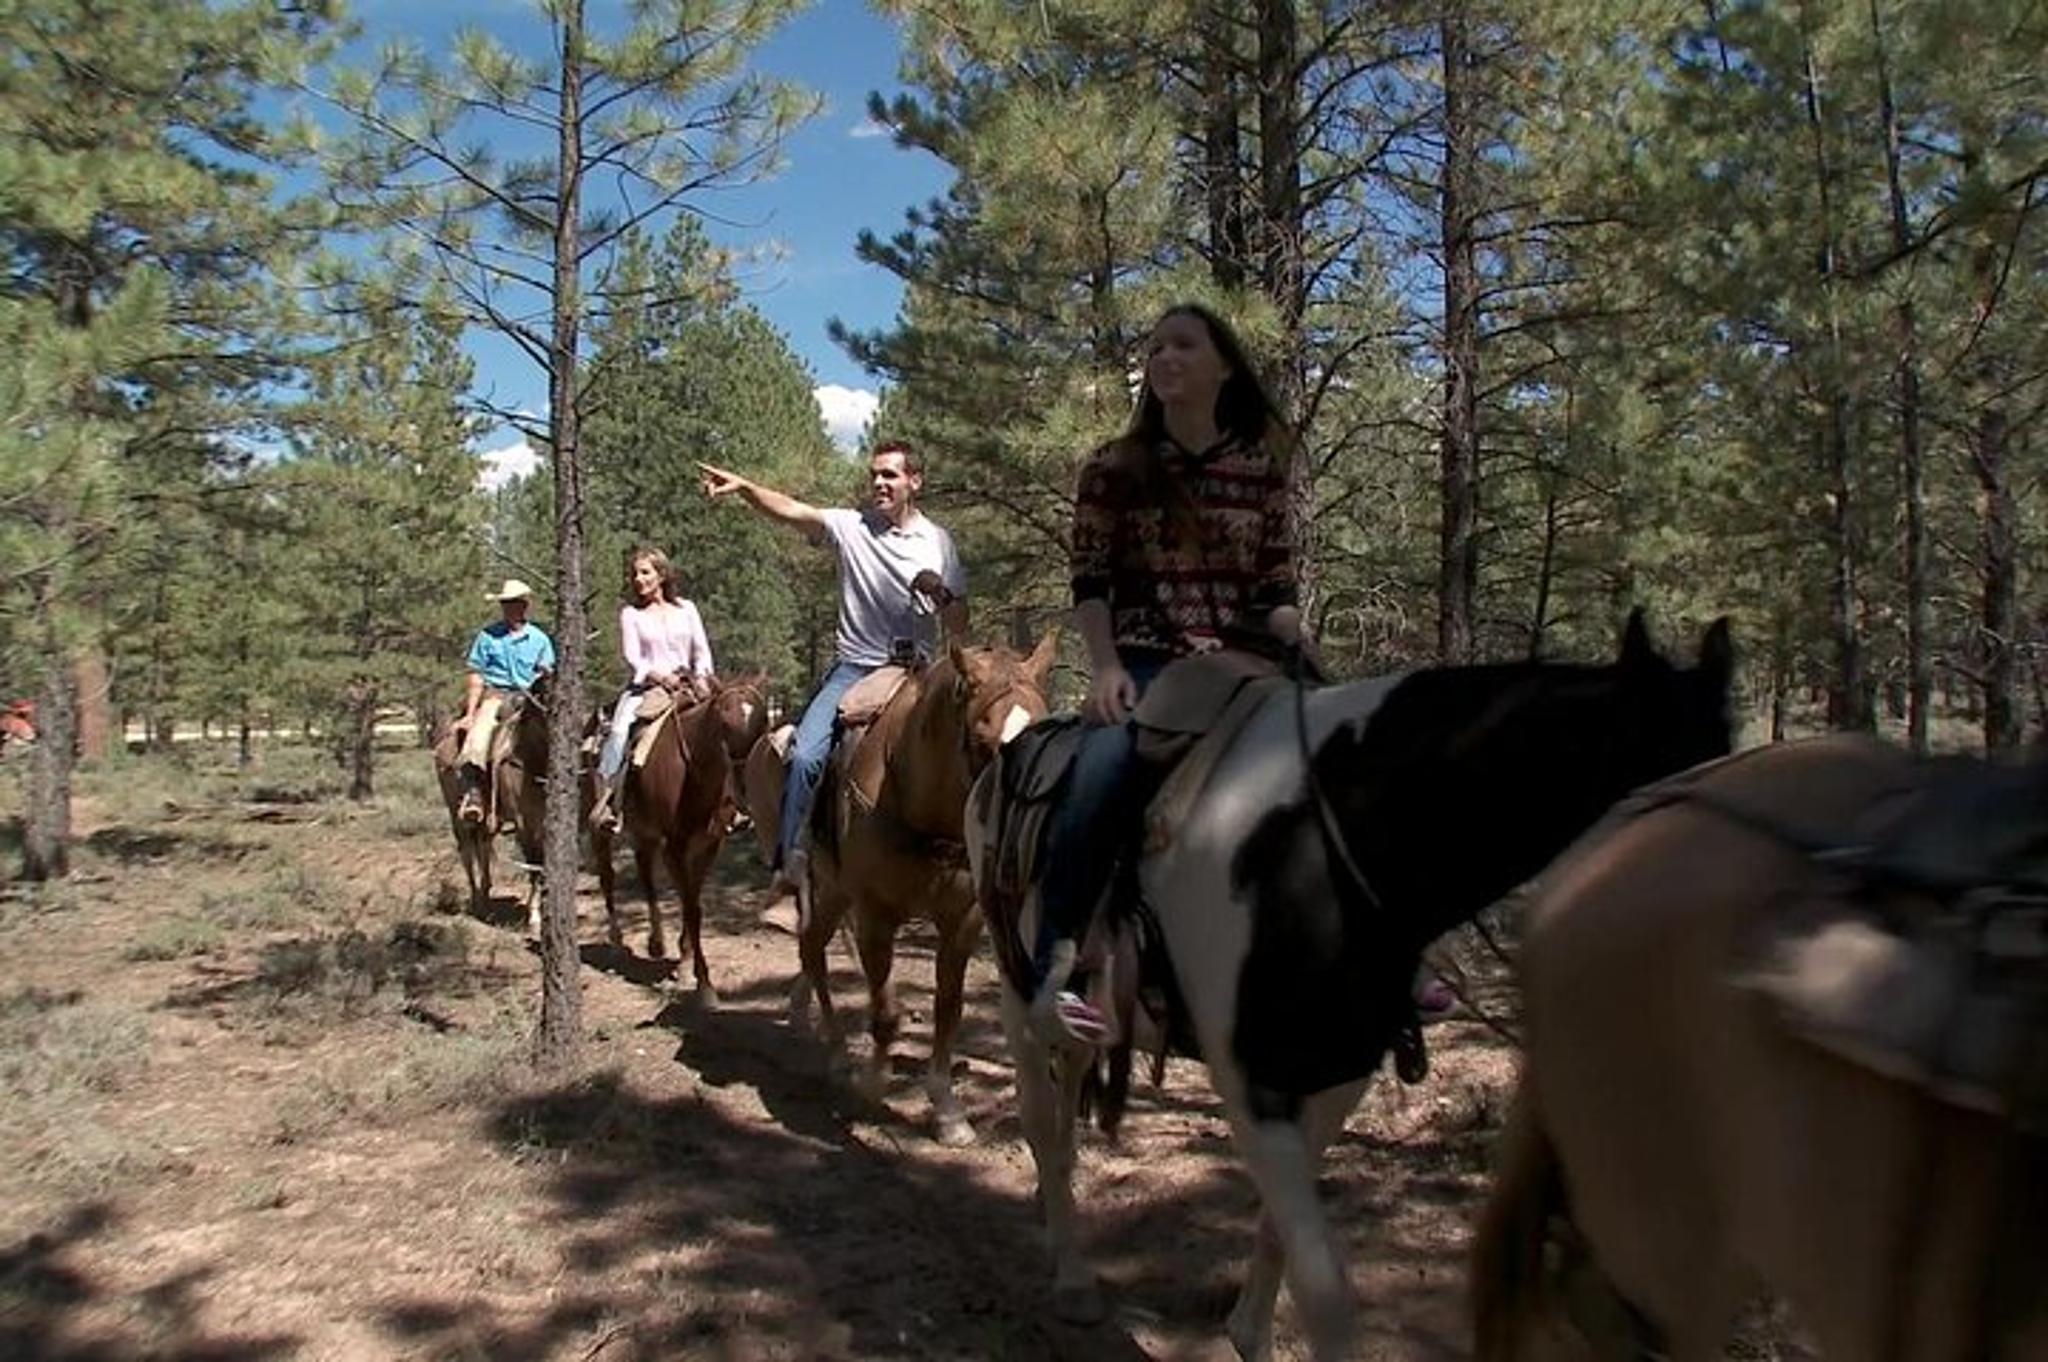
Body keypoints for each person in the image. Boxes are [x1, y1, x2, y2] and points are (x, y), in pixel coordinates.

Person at [1033, 303, 1308, 1043]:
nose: (1163, 358)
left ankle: (1388, 952)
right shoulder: (1114, 468)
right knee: (1098, 775)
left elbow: (1276, 587)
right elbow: (1090, 580)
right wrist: (1105, 667)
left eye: (1183, 345)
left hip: (1246, 662)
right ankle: (1058, 962)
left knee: (1349, 750)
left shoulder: (1259, 467)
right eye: (1155, 348)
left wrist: (1295, 635)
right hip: (1148, 660)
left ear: (1225, 366)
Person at [698, 441, 968, 891]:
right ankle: (790, 867)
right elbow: (792, 511)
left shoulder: (938, 542)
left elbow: (959, 622)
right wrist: (745, 488)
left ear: (914, 482)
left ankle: (978, 860)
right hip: (855, 669)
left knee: (977, 741)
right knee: (805, 755)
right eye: (874, 474)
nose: (879, 482)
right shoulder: (850, 526)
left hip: (917, 673)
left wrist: (940, 592)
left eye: (890, 475)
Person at [588, 547, 717, 833]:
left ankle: (732, 801)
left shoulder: (687, 609)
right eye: (635, 574)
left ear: (662, 574)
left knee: (722, 727)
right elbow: (633, 657)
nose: (639, 579)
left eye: (645, 572)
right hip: (647, 689)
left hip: (689, 685)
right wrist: (659, 676)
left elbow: (701, 650)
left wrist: (702, 678)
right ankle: (609, 800)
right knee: (619, 732)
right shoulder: (632, 614)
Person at [457, 579, 558, 823]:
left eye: (515, 603)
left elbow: (548, 674)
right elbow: (476, 674)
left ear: (525, 605)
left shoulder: (539, 639)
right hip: (497, 695)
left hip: (530, 698)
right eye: (506, 603)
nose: (510, 608)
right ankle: (474, 795)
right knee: (478, 737)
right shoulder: (488, 636)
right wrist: (470, 713)